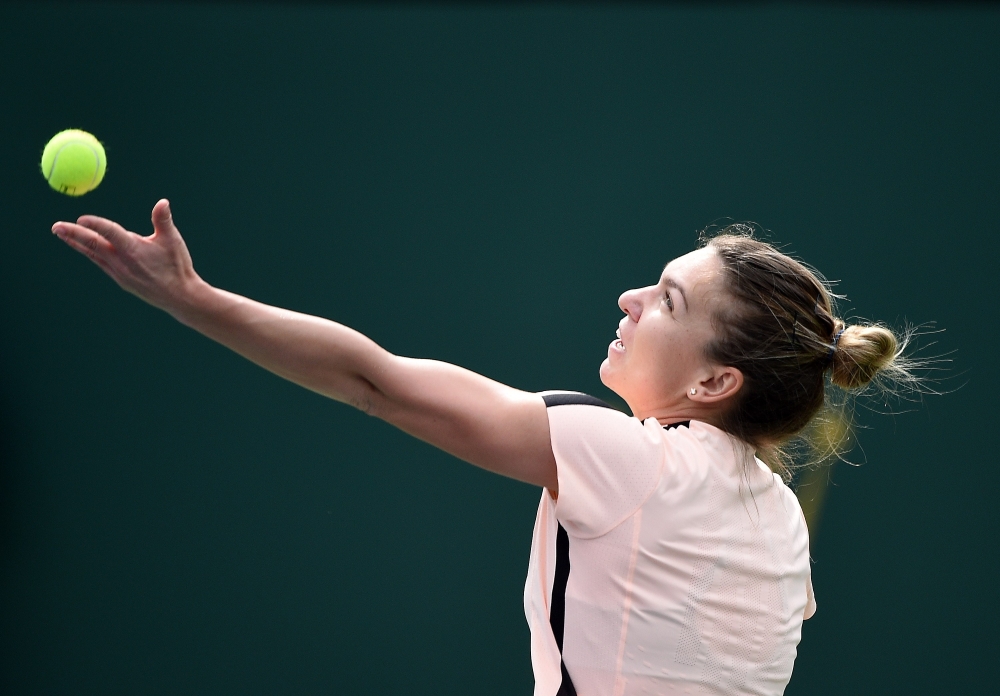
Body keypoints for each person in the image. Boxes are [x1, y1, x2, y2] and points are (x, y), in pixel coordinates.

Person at [51, 201, 905, 696]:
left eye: (670, 301)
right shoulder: (782, 518)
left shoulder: (631, 460)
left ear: (717, 383)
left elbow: (372, 382)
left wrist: (192, 300)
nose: (632, 297)